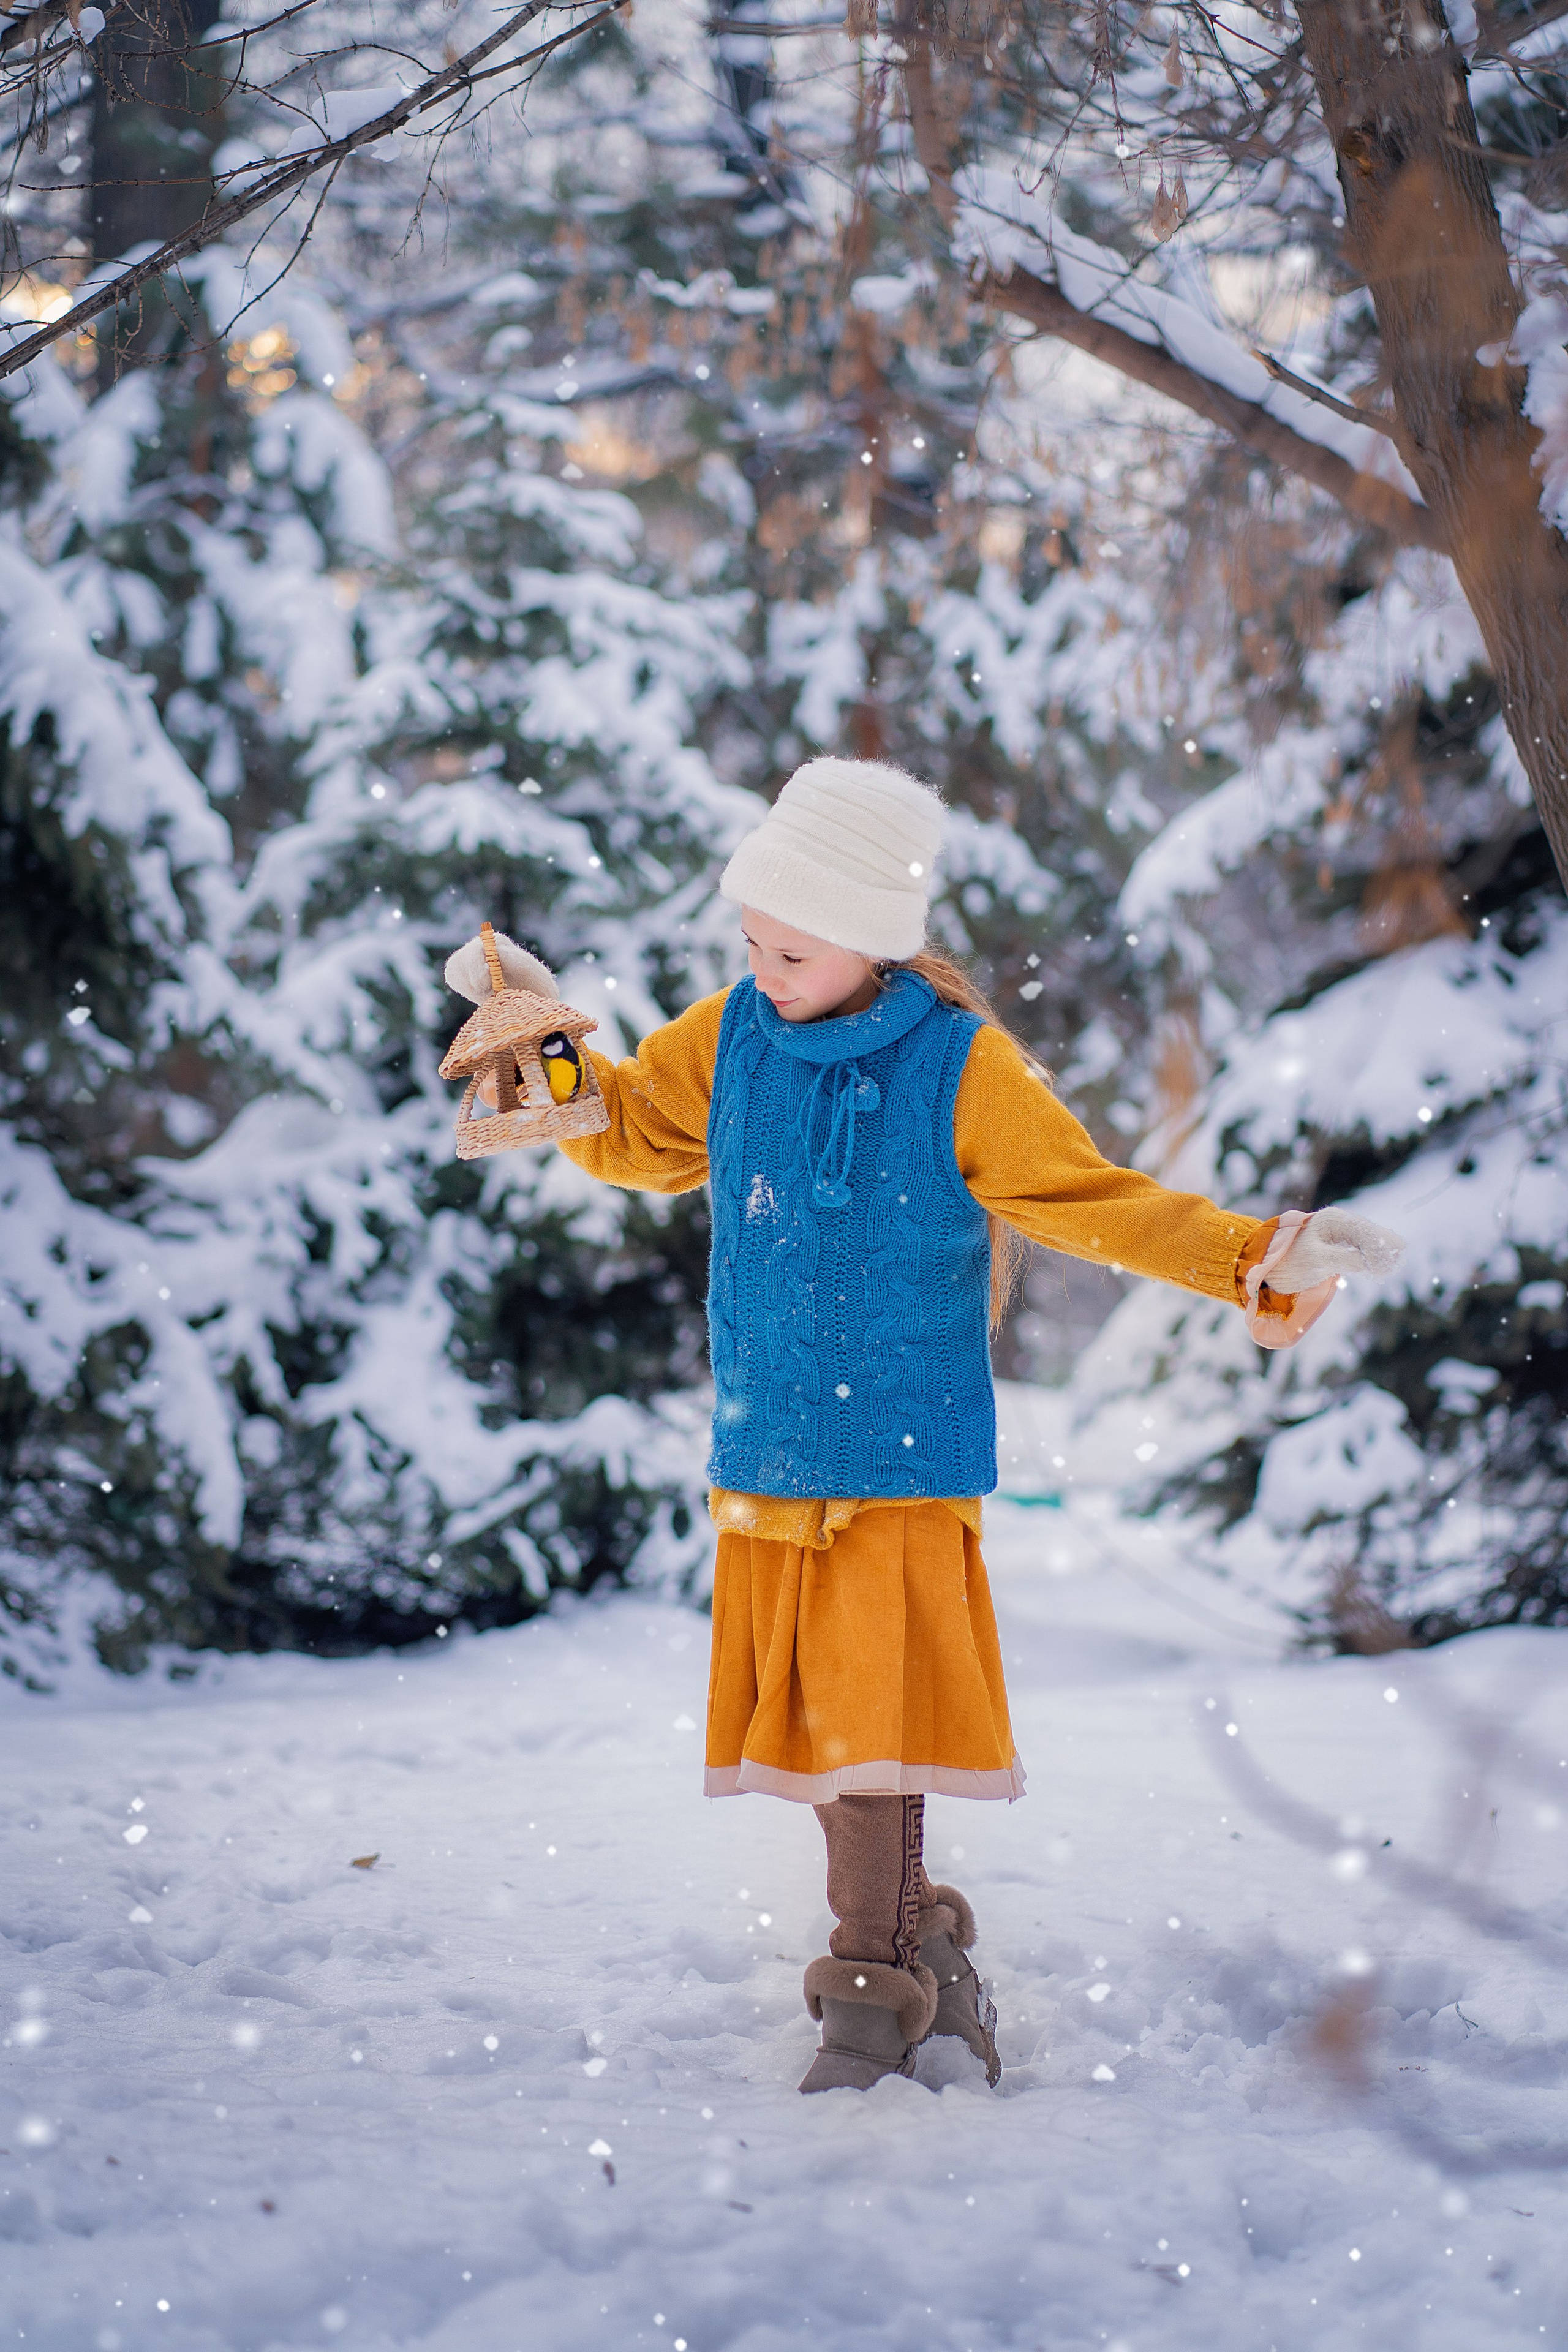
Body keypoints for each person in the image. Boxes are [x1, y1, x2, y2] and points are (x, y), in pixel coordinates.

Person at [447, 758, 1402, 2094]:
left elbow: (1087, 1200)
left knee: (868, 1731)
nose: (762, 966)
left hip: (894, 1455)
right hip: (773, 1450)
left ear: (872, 940)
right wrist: (544, 1053)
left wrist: (1254, 1256)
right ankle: (925, 1953)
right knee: (838, 1735)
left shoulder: (960, 1064)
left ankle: (867, 1992)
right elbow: (631, 1131)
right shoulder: (727, 1037)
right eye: (750, 942)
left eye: (789, 947)